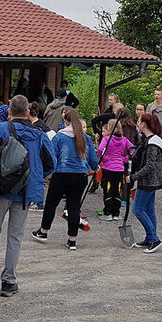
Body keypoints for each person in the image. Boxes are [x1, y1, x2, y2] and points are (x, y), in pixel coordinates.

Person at [0, 95, 56, 297]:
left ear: (9, 111)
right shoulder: (39, 133)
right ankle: (9, 281)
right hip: (25, 191)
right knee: (15, 236)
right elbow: (51, 162)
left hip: (0, 189)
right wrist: (35, 176)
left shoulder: (1, 129)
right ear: (27, 112)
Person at [31, 107, 98, 250]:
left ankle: (43, 232)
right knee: (74, 207)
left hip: (61, 175)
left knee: (51, 204)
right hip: (80, 176)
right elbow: (93, 161)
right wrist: (95, 167)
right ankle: (72, 240)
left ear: (65, 121)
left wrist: (47, 172)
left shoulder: (59, 136)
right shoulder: (85, 137)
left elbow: (52, 156)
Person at [127, 113, 162, 254]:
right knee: (149, 210)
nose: (137, 123)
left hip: (149, 181)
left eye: (139, 121)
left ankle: (155, 239)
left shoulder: (152, 144)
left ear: (144, 124)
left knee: (137, 209)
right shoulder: (149, 140)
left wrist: (133, 177)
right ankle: (150, 237)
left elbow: (150, 165)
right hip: (151, 180)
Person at [97, 118, 134, 221]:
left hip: (108, 167)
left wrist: (104, 158)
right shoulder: (124, 140)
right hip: (120, 168)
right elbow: (133, 150)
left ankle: (108, 212)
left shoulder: (107, 139)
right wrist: (125, 159)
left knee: (108, 189)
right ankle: (116, 213)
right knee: (117, 189)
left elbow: (100, 149)